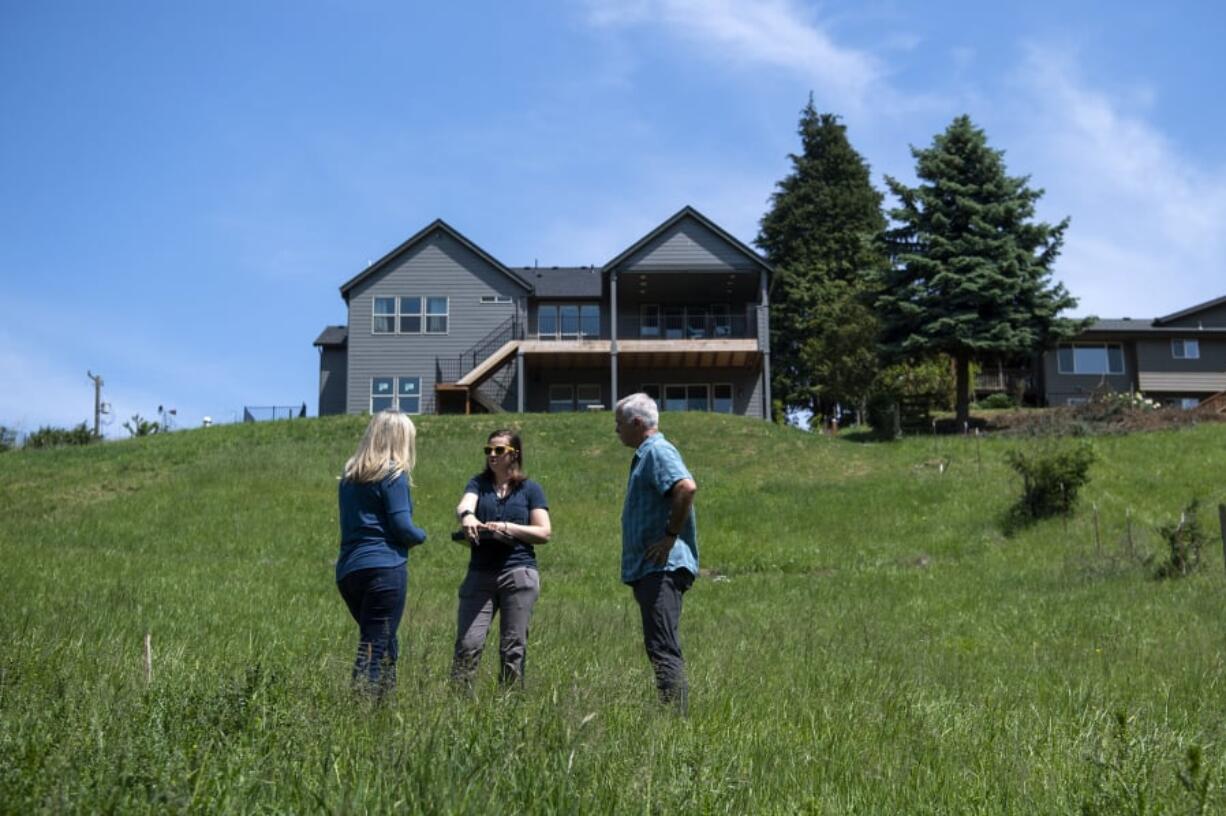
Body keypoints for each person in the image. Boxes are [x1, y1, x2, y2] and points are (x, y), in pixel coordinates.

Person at [614, 393, 698, 712]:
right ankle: (672, 713)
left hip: (661, 568)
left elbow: (685, 487)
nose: (616, 431)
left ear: (637, 423)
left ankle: (676, 721)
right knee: (658, 643)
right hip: (649, 570)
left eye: (619, 424)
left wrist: (670, 537)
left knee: (662, 645)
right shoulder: (645, 454)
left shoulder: (657, 451)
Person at [335, 410, 427, 697]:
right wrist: (421, 536)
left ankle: (384, 706)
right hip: (384, 568)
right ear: (400, 439)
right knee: (373, 646)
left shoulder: (349, 477)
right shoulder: (393, 474)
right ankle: (361, 711)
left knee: (381, 638)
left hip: (349, 571)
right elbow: (402, 527)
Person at [451, 429, 551, 689]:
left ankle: (508, 706)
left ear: (514, 454)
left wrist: (509, 527)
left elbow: (543, 532)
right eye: (488, 450)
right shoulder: (478, 484)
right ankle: (458, 707)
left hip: (518, 573)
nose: (492, 455)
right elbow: (464, 505)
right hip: (480, 573)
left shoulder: (530, 490)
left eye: (499, 450)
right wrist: (468, 517)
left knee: (512, 647)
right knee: (467, 644)